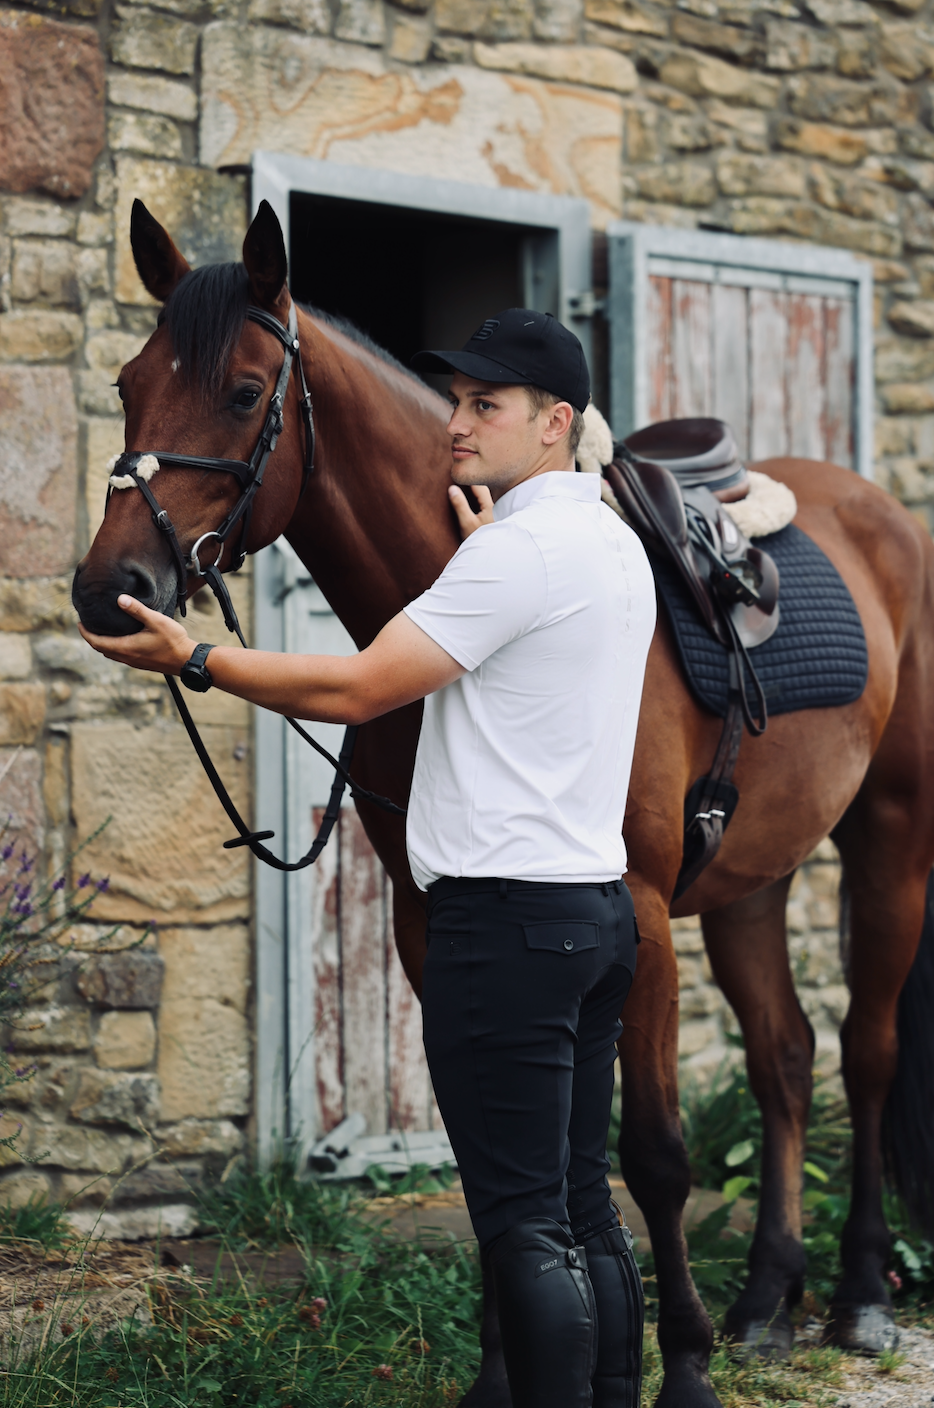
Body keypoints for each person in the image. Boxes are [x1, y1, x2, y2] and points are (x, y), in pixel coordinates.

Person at [80, 307, 657, 1408]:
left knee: (523, 1225)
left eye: (487, 405)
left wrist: (197, 653)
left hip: (503, 929)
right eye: (459, 399)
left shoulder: (516, 558)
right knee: (584, 1207)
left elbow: (359, 688)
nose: (458, 422)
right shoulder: (606, 545)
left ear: (555, 425)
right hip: (592, 915)